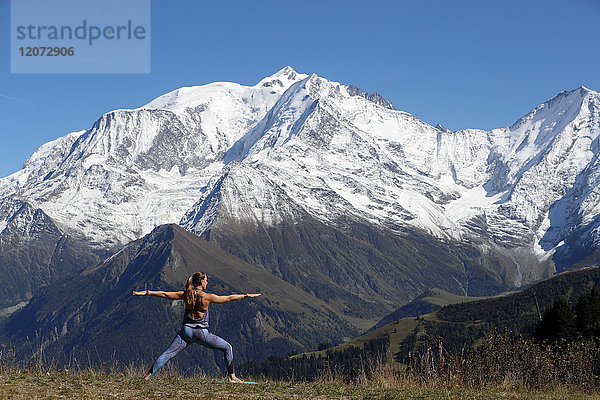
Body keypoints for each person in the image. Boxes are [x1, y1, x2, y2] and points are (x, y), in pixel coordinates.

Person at [133, 271, 260, 382]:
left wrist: (147, 292)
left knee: (168, 353)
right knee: (227, 347)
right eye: (206, 280)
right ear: (201, 282)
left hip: (186, 333)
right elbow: (229, 298)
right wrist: (247, 295)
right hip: (201, 333)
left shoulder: (186, 294)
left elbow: (165, 294)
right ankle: (232, 378)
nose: (207, 283)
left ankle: (147, 376)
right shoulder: (207, 297)